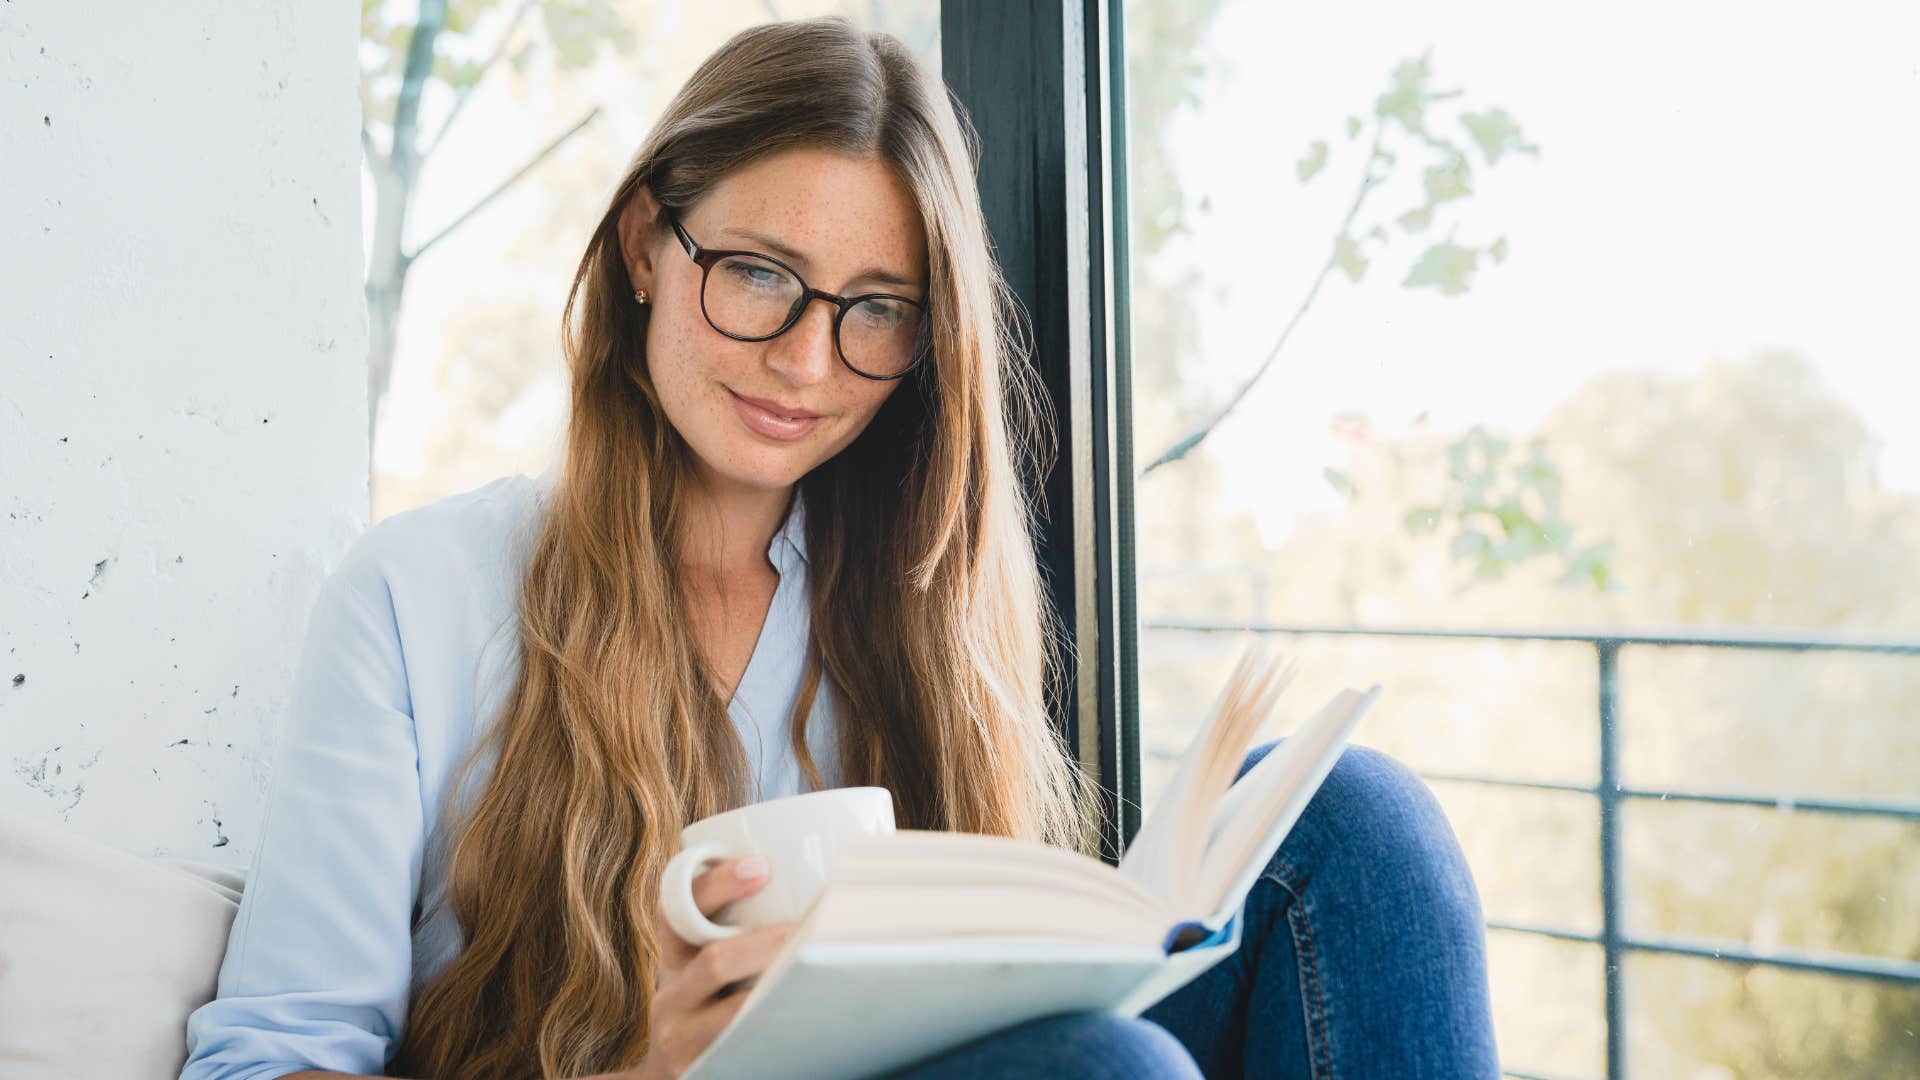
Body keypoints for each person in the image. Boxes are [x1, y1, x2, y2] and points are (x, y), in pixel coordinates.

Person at [179, 16, 1498, 1080]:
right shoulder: (419, 595)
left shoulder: (919, 597)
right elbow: (266, 1062)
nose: (807, 363)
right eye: (756, 274)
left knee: (1355, 822)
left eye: (876, 310)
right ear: (647, 244)